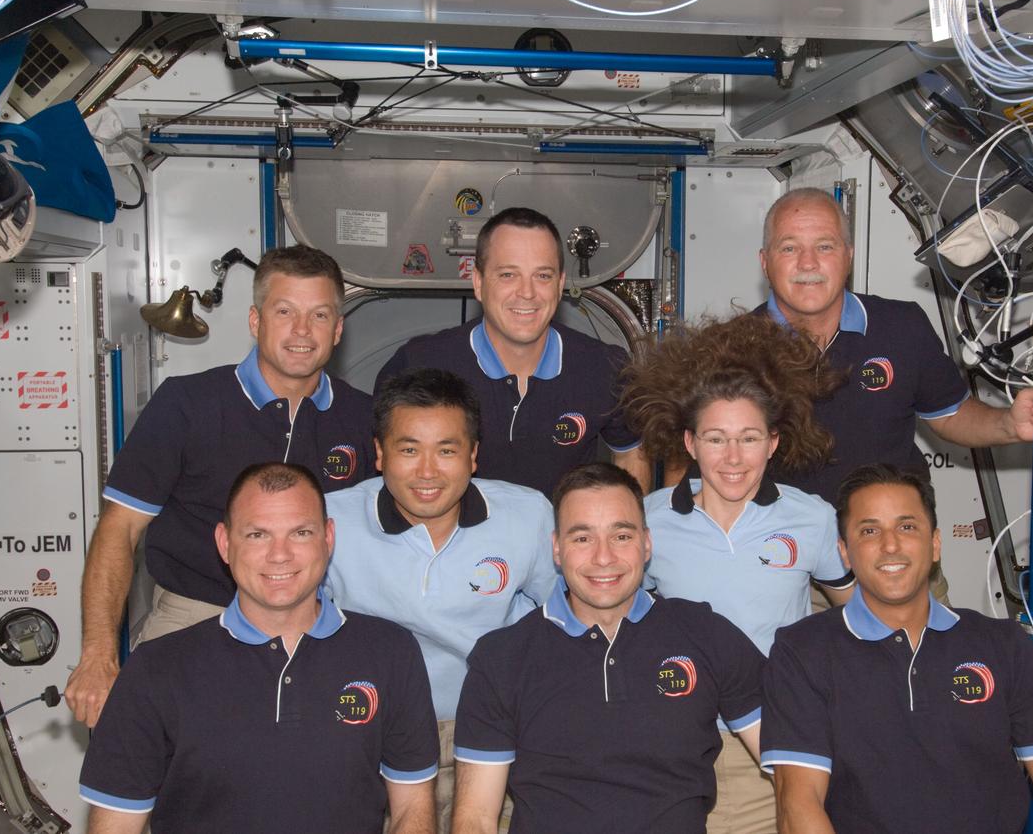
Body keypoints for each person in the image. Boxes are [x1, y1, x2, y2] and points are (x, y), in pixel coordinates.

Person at [66, 244, 376, 728]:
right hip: (196, 611)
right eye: (284, 311)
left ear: (337, 329)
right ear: (255, 321)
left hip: (315, 622)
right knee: (150, 761)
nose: (301, 331)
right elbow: (119, 528)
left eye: (318, 315)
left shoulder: (362, 417)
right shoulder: (186, 405)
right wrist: (98, 656)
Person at [78, 462, 439, 834]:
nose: (279, 555)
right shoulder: (156, 669)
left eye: (300, 532)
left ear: (328, 538)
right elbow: (115, 826)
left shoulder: (390, 652)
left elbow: (413, 808)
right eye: (257, 535)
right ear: (224, 543)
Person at [760, 464, 1033, 834]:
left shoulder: (1002, 645)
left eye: (907, 526)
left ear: (935, 545)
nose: (890, 544)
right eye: (869, 530)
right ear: (845, 553)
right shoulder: (802, 652)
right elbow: (799, 804)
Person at [625, 317, 853, 834]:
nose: (732, 458)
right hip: (673, 743)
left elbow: (855, 617)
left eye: (749, 438)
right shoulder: (647, 521)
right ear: (689, 442)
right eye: (716, 438)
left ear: (773, 442)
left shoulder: (811, 518)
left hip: (775, 742)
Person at [451, 462, 766, 834]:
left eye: (621, 536)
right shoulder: (502, 658)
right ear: (556, 549)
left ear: (646, 544)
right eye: (582, 538)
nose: (603, 558)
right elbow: (475, 819)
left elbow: (792, 763)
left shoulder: (705, 634)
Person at [324, 368, 556, 832]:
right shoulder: (332, 521)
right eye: (408, 450)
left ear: (473, 456)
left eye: (446, 450)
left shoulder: (527, 514)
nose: (427, 471)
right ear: (379, 454)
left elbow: (565, 619)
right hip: (372, 734)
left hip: (494, 734)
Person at [754, 187, 1033, 503]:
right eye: (789, 248)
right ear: (765, 261)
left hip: (888, 537)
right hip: (780, 544)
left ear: (848, 256)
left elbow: (951, 414)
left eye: (824, 246)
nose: (808, 263)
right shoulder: (735, 350)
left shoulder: (902, 327)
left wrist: (1009, 424)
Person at [374, 206, 650, 497]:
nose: (527, 293)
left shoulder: (603, 366)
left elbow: (633, 452)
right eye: (508, 275)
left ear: (559, 284)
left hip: (557, 541)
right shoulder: (418, 364)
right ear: (478, 283)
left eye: (542, 276)